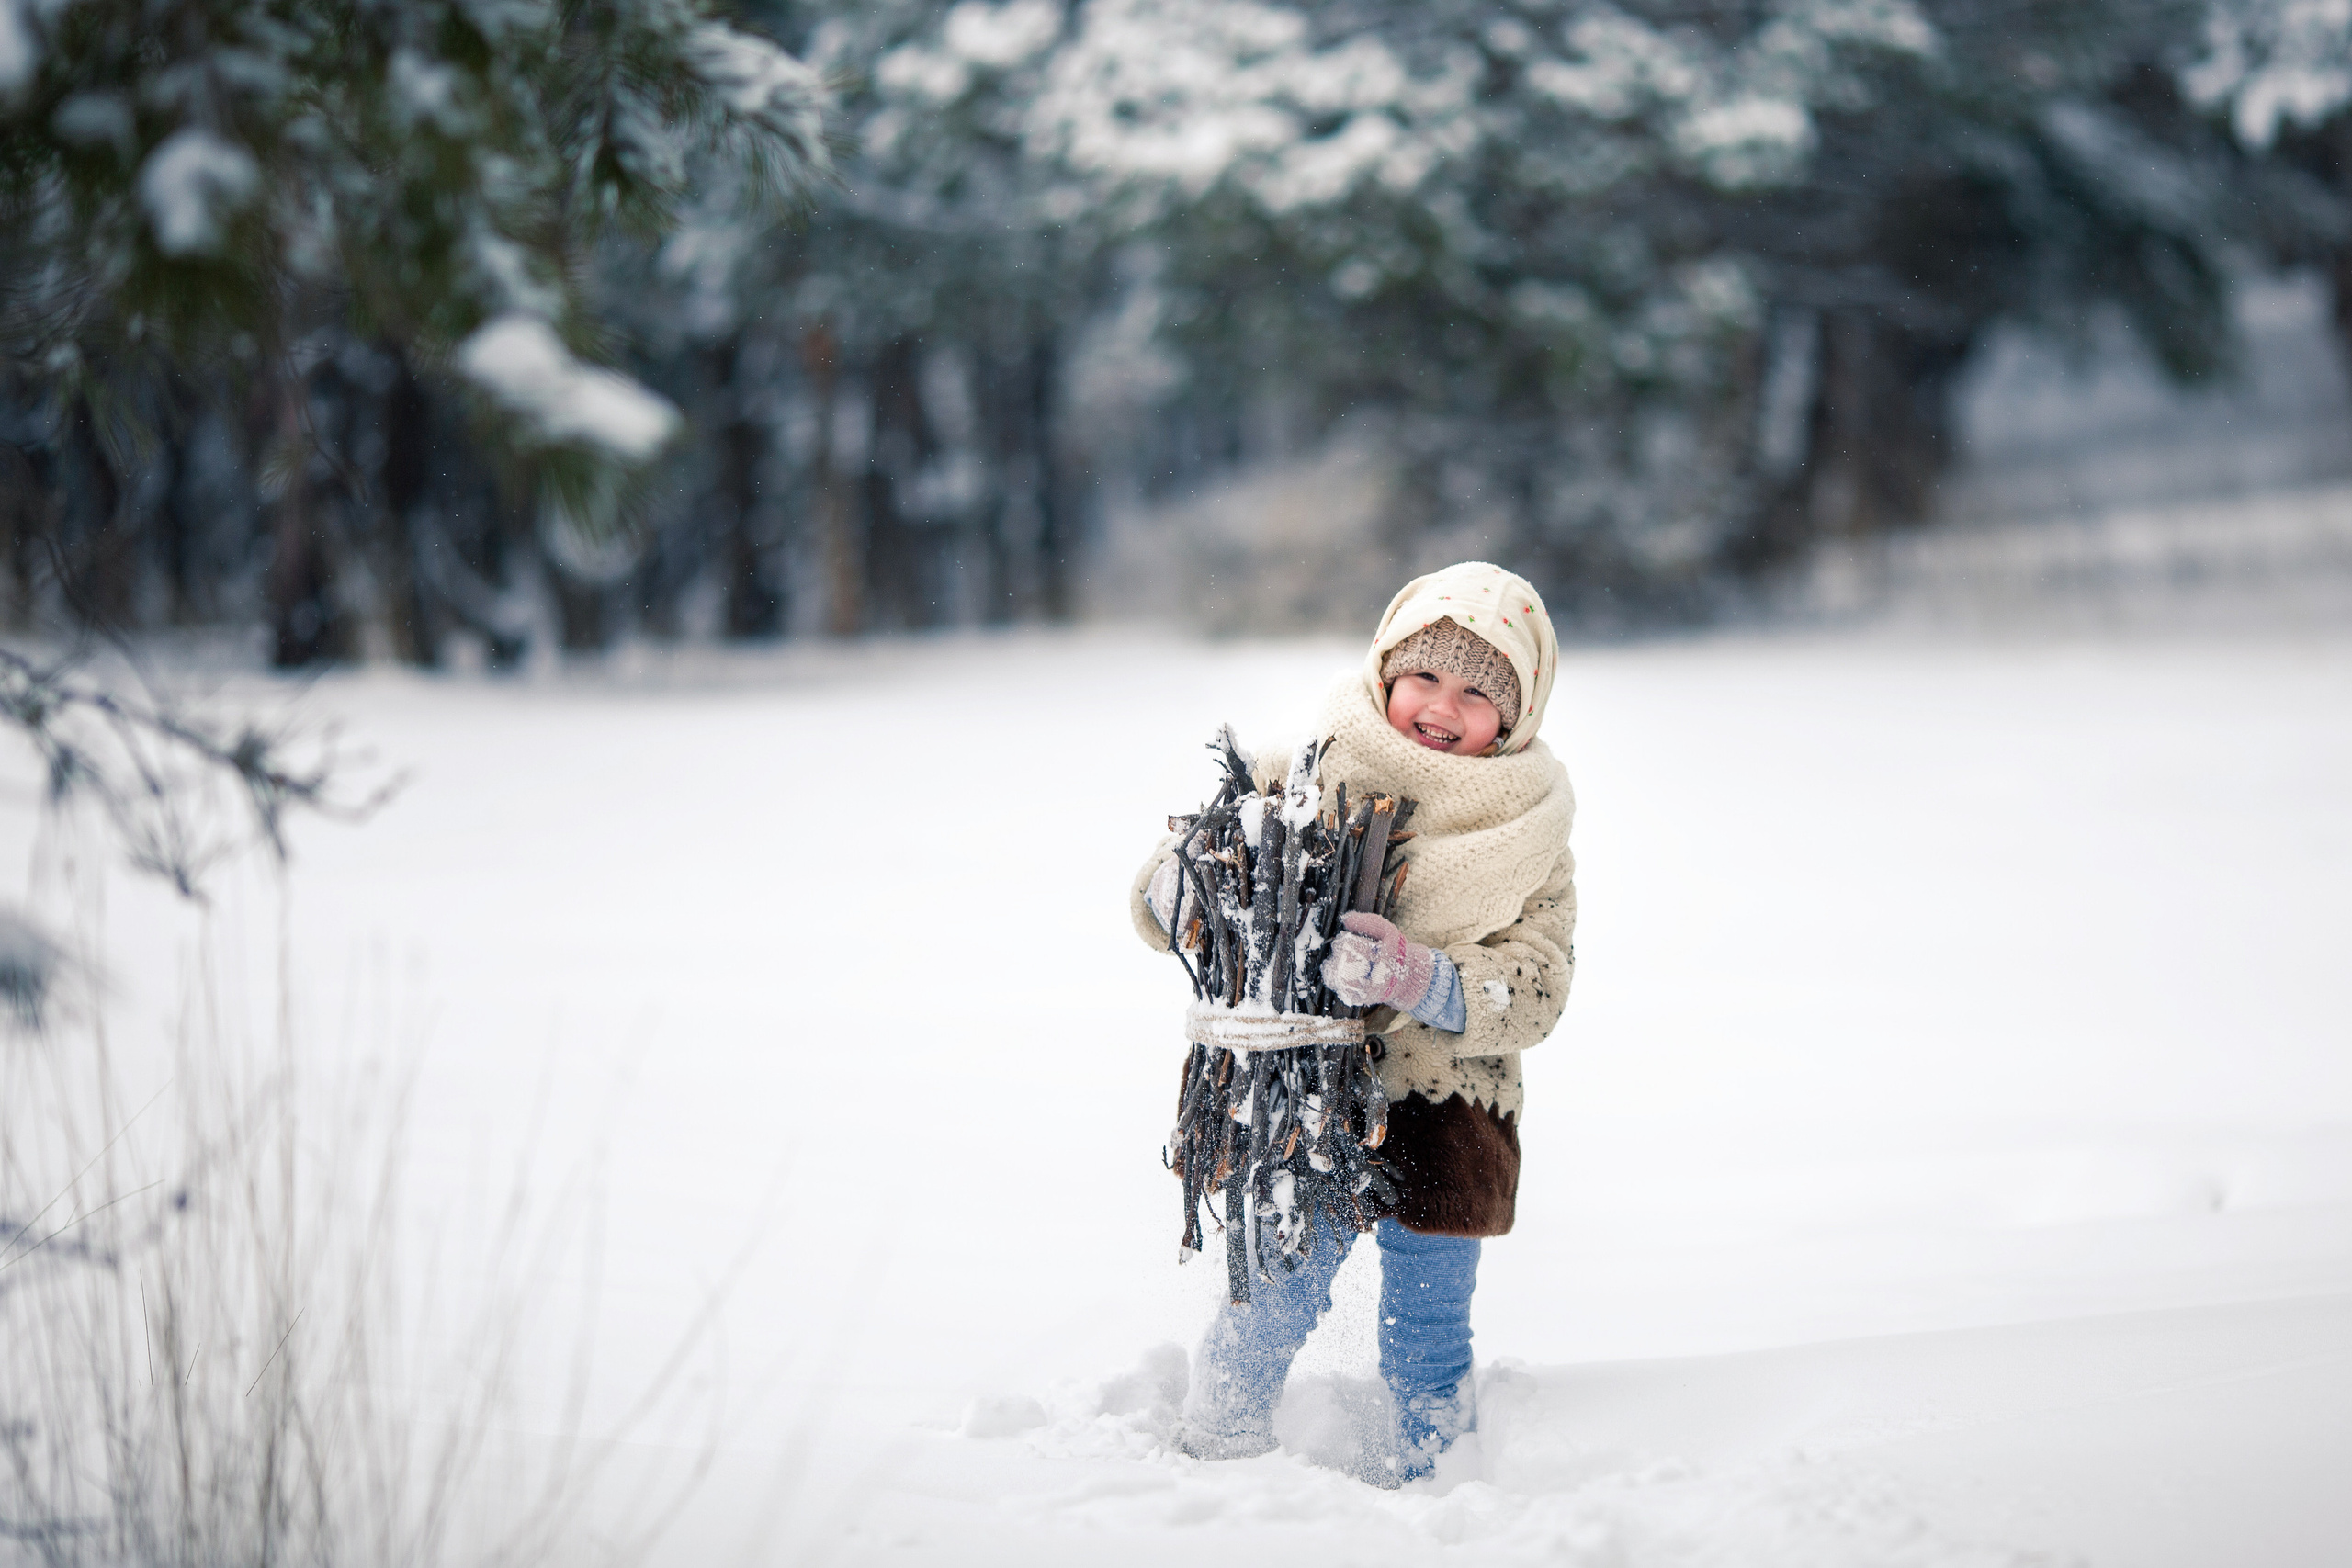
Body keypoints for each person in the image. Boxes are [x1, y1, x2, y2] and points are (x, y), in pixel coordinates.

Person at [1127, 560, 1577, 1483]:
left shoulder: (1532, 828)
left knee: (1428, 1325)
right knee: (1274, 1291)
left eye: (1477, 691)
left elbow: (1539, 987)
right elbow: (1179, 886)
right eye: (1423, 676)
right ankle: (1220, 1447)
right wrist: (1182, 890)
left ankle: (1436, 1472)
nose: (1441, 706)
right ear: (1384, 671)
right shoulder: (1304, 768)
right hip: (1307, 1090)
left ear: (1519, 711)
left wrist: (1425, 977)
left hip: (1450, 1105)